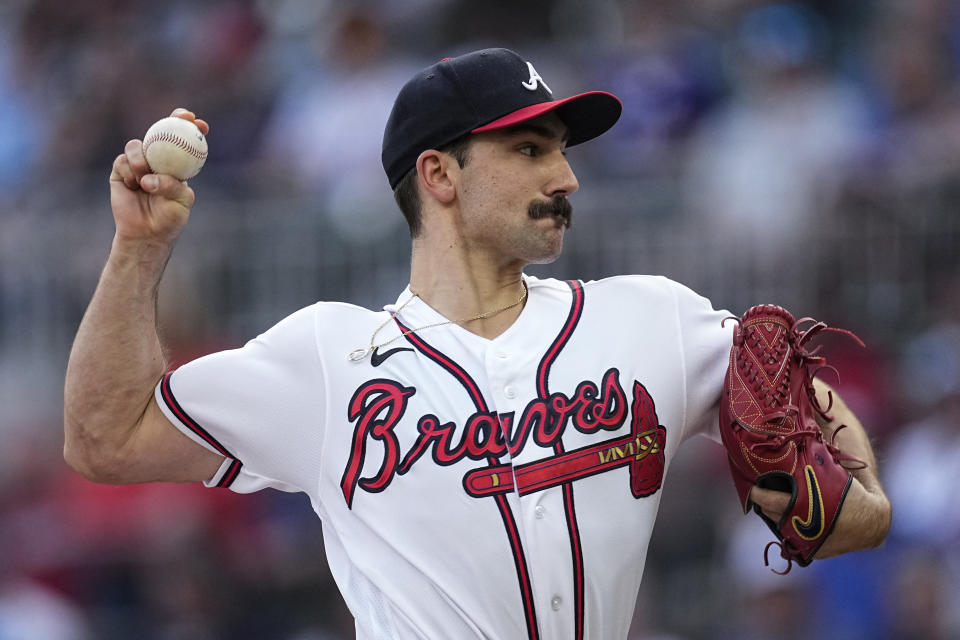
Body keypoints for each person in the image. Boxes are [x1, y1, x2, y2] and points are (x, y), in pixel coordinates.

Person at [64, 48, 891, 639]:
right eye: (530, 149)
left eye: (563, 151)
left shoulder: (650, 320)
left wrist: (858, 489)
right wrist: (139, 250)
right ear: (440, 176)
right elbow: (104, 438)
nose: (565, 177)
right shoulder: (327, 359)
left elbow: (792, 385)